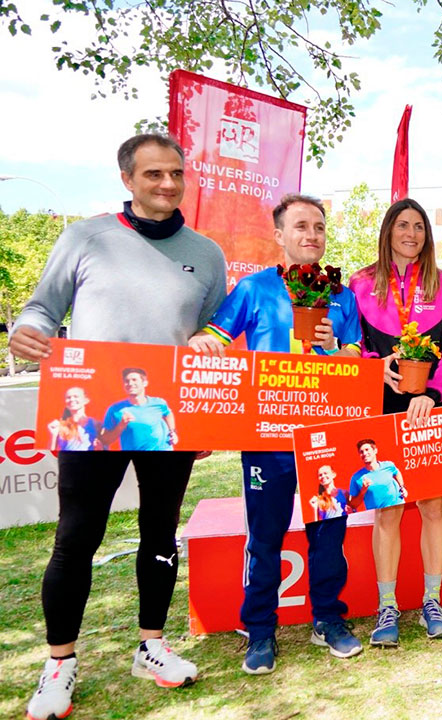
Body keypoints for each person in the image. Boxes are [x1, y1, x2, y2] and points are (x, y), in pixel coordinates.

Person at [12, 133, 226, 720]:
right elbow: (40, 308)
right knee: (78, 535)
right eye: (154, 174)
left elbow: (215, 339)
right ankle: (59, 663)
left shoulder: (207, 254)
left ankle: (152, 646)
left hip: (168, 420)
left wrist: (205, 410)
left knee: (161, 533)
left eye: (176, 173)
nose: (168, 184)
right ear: (127, 180)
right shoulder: (86, 237)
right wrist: (25, 331)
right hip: (92, 418)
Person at [189, 193, 364, 674]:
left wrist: (335, 348)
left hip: (326, 439)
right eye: (302, 226)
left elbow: (357, 363)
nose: (312, 235)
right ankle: (260, 630)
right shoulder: (253, 289)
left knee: (329, 536)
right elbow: (216, 336)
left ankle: (328, 619)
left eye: (320, 227)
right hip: (268, 441)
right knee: (265, 538)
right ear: (280, 235)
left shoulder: (341, 295)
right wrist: (203, 340)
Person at [348, 198, 442, 647]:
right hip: (381, 409)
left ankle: (432, 601)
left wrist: (433, 393)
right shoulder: (361, 284)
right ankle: (387, 607)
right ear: (388, 231)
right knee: (389, 508)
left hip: (432, 410)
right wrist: (378, 368)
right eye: (403, 225)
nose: (411, 233)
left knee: (434, 505)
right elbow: (352, 345)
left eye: (419, 226)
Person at [98, 368, 177, 451]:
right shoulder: (115, 410)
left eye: (134, 380)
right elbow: (105, 440)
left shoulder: (159, 403)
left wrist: (172, 431)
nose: (130, 383)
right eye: (127, 381)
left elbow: (168, 414)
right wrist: (121, 426)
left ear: (145, 383)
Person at [348, 439, 407, 511]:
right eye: (361, 452)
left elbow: (397, 473)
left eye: (367, 450)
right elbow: (353, 505)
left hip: (399, 506)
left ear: (375, 451)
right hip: (379, 515)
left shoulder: (388, 465)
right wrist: (363, 490)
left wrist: (402, 486)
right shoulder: (356, 478)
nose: (364, 453)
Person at [48, 387, 99, 452]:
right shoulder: (60, 425)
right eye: (68, 397)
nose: (72, 399)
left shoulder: (96, 424)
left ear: (86, 400)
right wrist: (53, 435)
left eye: (76, 396)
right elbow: (51, 453)